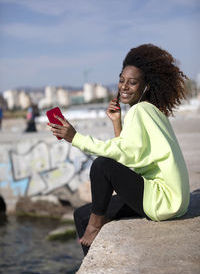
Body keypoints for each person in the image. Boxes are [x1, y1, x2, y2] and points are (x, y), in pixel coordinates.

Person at [48, 44, 190, 256]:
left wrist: (75, 138)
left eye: (132, 83)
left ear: (146, 87)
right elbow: (129, 154)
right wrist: (117, 122)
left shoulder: (140, 111)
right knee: (81, 214)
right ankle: (93, 243)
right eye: (122, 80)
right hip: (174, 200)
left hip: (161, 201)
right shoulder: (152, 111)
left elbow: (119, 155)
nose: (124, 86)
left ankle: (95, 227)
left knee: (101, 165)